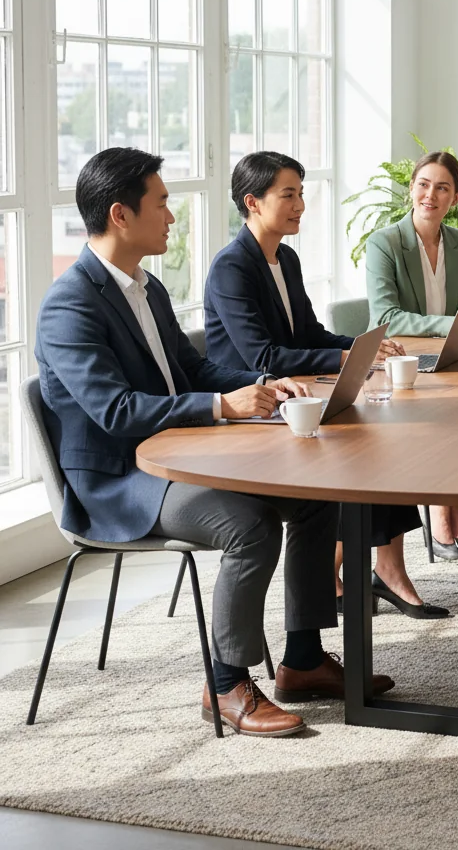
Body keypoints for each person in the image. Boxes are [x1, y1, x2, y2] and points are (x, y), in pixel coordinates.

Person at [35, 148, 394, 738]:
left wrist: (262, 387)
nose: (172, 217)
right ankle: (224, 683)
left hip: (177, 456)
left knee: (312, 499)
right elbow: (114, 411)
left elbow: (193, 373)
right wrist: (222, 407)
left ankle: (302, 659)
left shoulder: (146, 290)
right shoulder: (69, 304)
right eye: (162, 203)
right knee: (248, 523)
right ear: (121, 215)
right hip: (120, 481)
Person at [205, 151, 448, 619]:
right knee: (364, 447)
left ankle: (387, 569)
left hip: (296, 399)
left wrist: (362, 346)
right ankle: (365, 576)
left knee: (382, 437)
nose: (300, 205)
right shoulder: (231, 267)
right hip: (255, 409)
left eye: (301, 193)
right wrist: (340, 357)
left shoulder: (286, 258)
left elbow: (310, 334)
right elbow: (263, 357)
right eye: (288, 195)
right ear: (252, 202)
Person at [365, 150, 458, 560]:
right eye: (423, 184)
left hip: (446, 360)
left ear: (455, 197)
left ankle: (454, 516)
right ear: (411, 189)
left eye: (442, 187)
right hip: (398, 364)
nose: (431, 195)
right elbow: (386, 316)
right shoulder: (385, 243)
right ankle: (444, 521)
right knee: (448, 413)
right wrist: (454, 324)